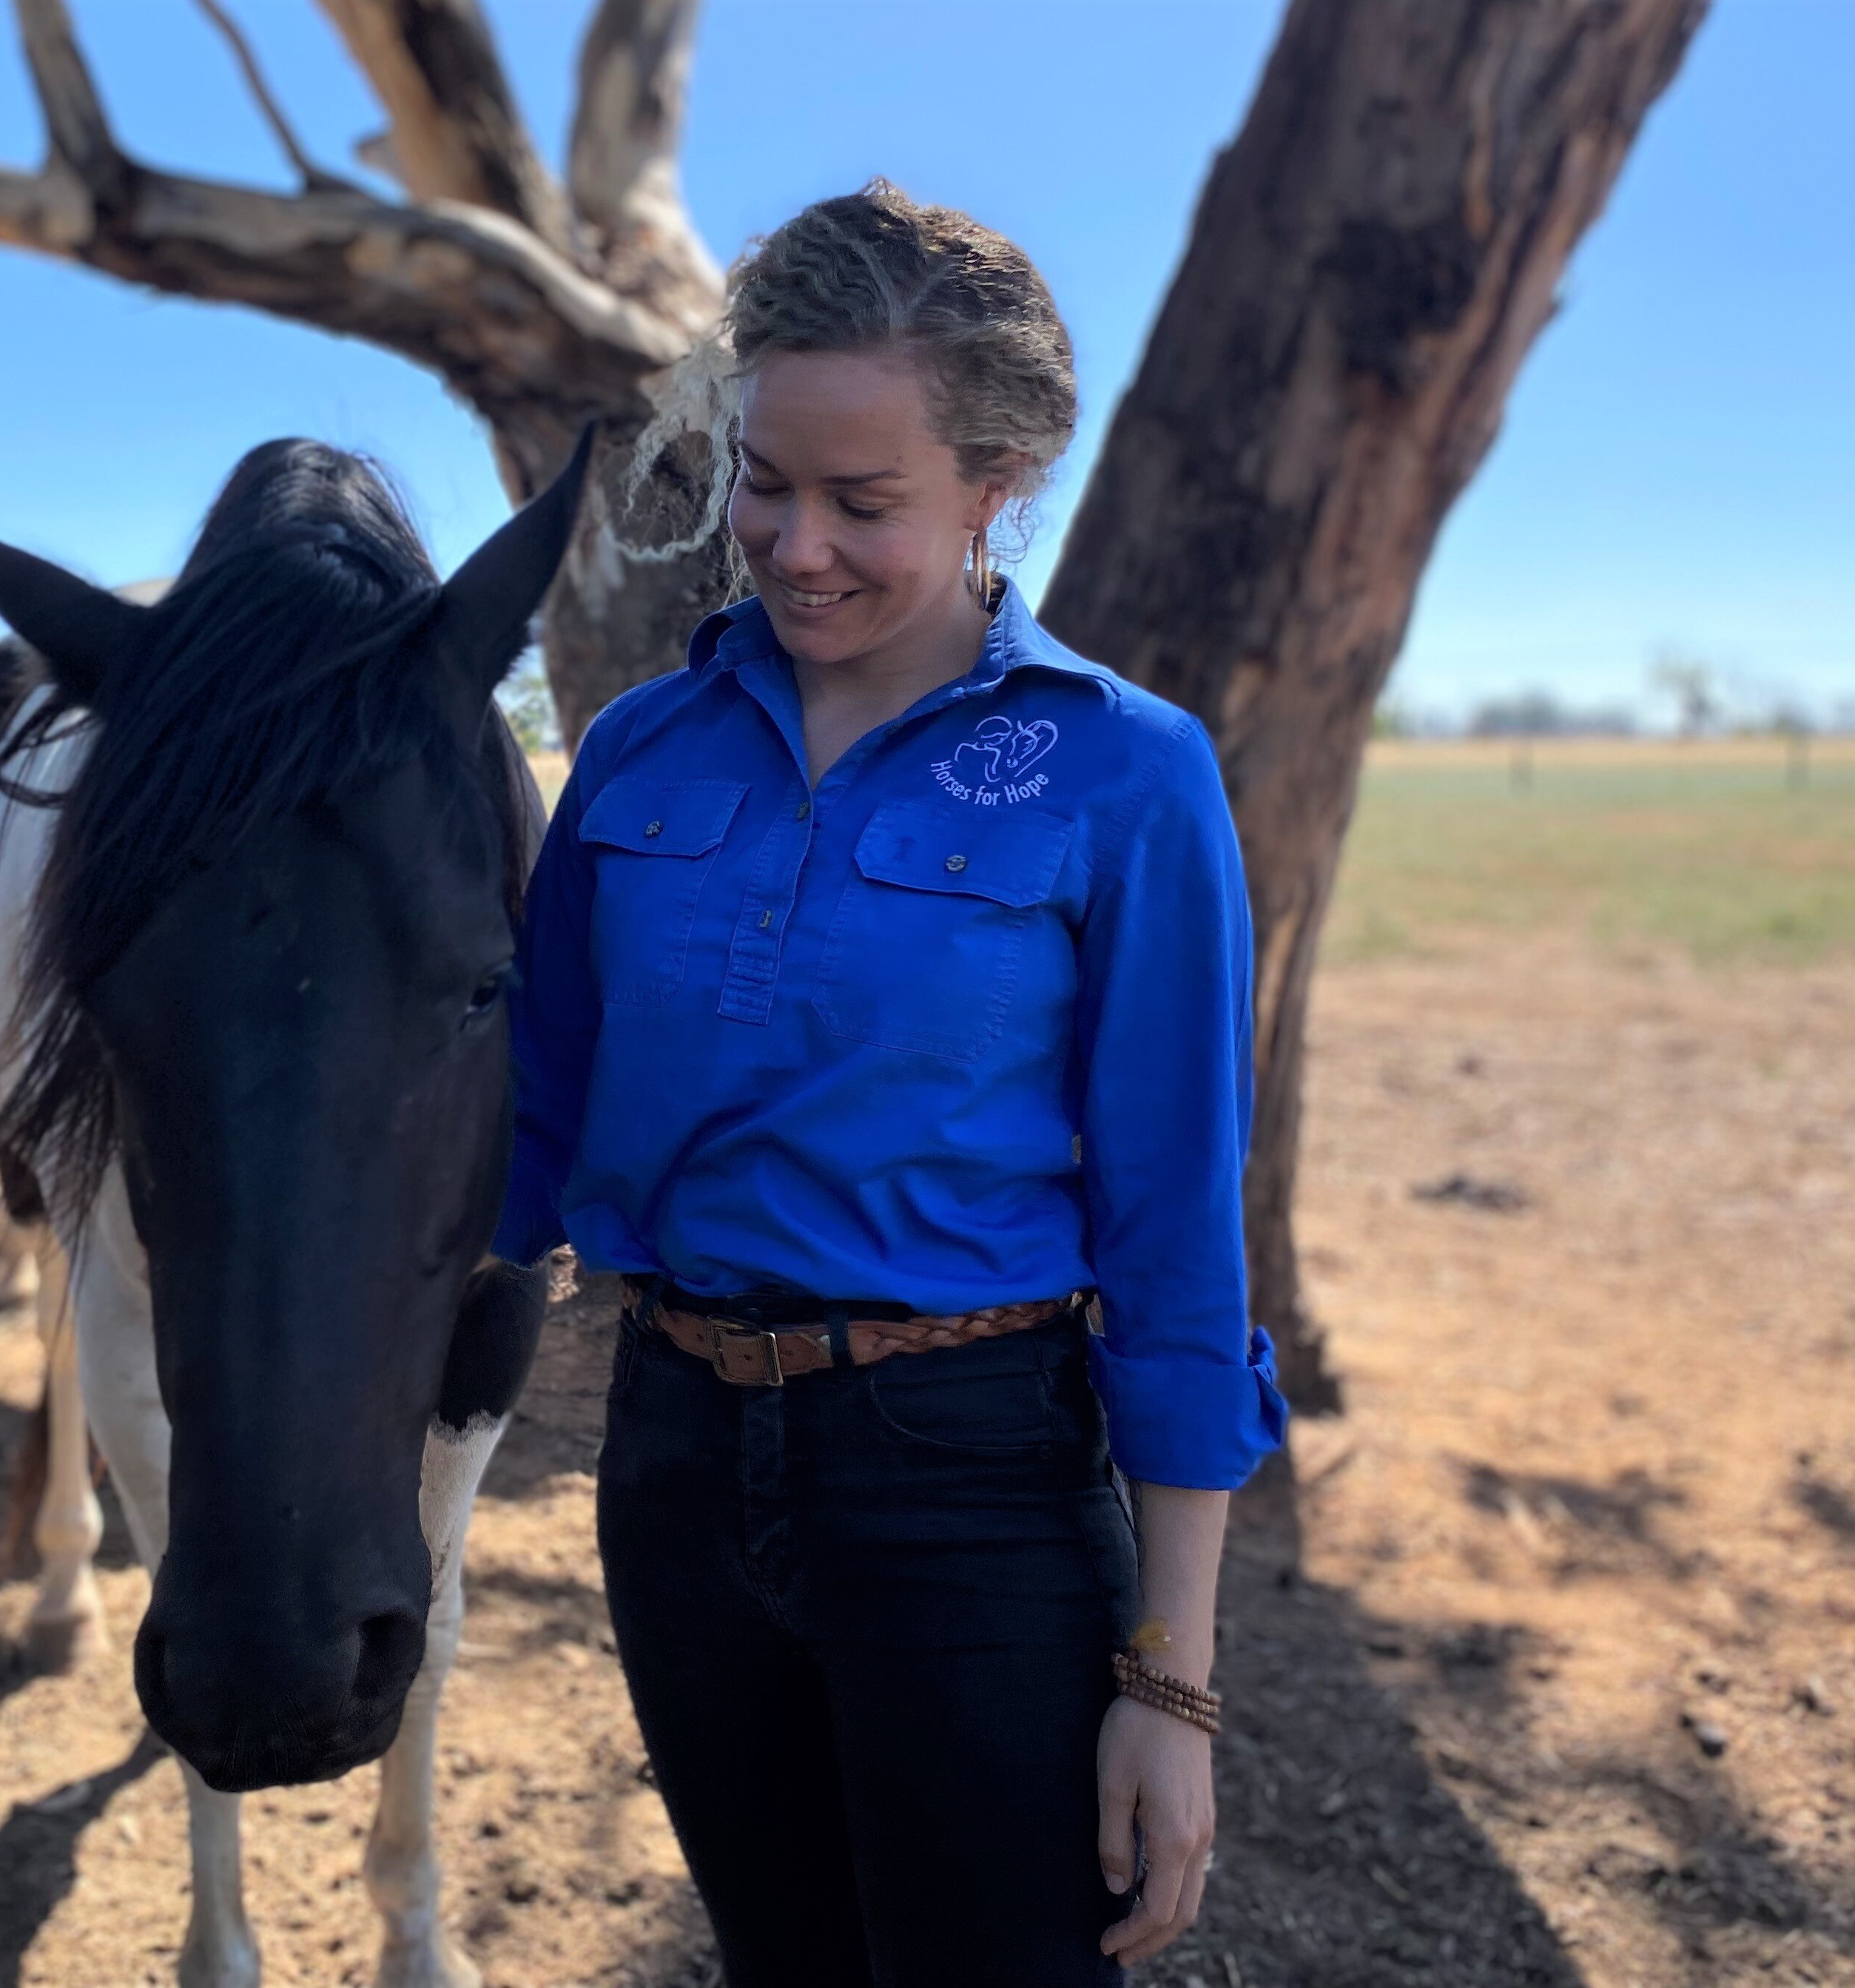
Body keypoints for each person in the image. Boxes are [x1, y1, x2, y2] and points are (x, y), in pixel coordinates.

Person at [496, 181, 1287, 1986]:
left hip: (970, 1483)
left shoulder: (1126, 775)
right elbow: (523, 1130)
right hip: (673, 1469)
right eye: (765, 481)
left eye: (865, 503)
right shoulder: (636, 753)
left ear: (1000, 479)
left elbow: (1176, 1242)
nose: (796, 549)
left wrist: (1171, 1682)